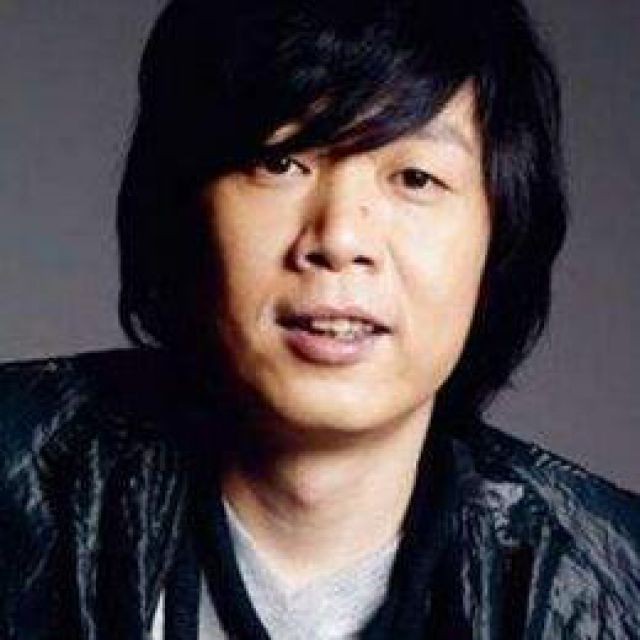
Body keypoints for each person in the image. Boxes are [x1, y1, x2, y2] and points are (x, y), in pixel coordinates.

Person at [1, 0, 639, 638]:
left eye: (415, 178)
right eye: (281, 161)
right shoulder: (19, 486)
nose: (339, 238)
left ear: (499, 239)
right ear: (181, 208)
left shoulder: (612, 589)